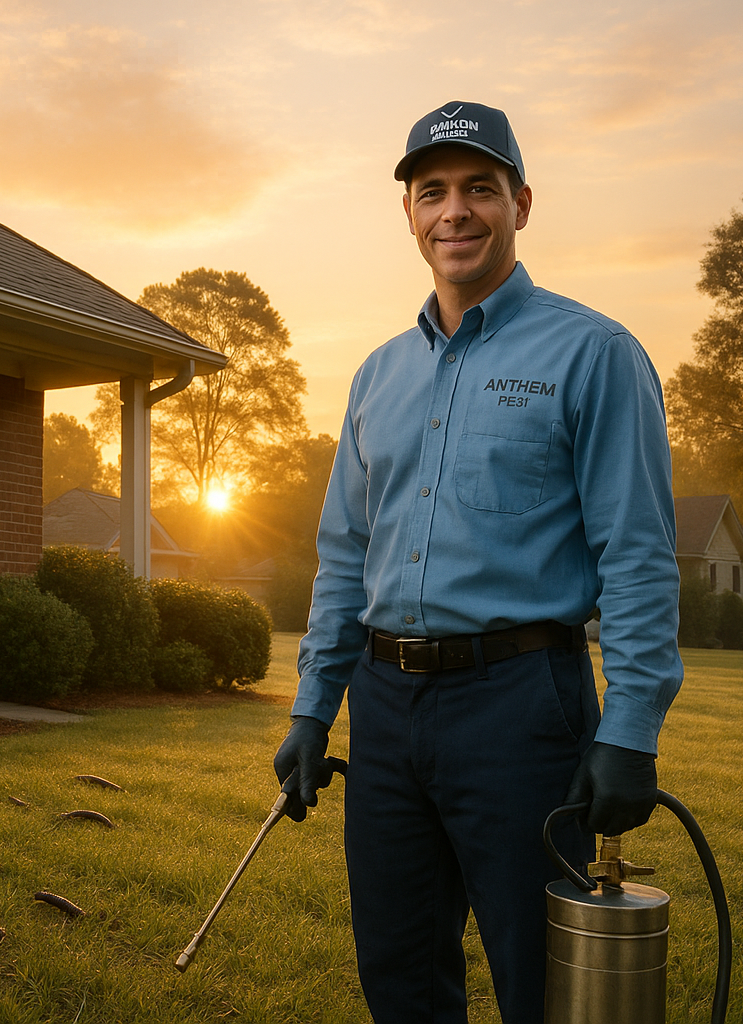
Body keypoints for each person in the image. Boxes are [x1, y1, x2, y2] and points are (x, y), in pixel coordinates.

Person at [273, 100, 682, 1024]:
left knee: (542, 983)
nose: (454, 211)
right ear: (409, 214)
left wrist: (632, 728)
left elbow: (637, 554)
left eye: (479, 189)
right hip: (384, 711)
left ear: (521, 203)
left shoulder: (595, 353)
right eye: (433, 193)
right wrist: (312, 707)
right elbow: (344, 555)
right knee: (399, 976)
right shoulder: (378, 375)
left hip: (522, 709)